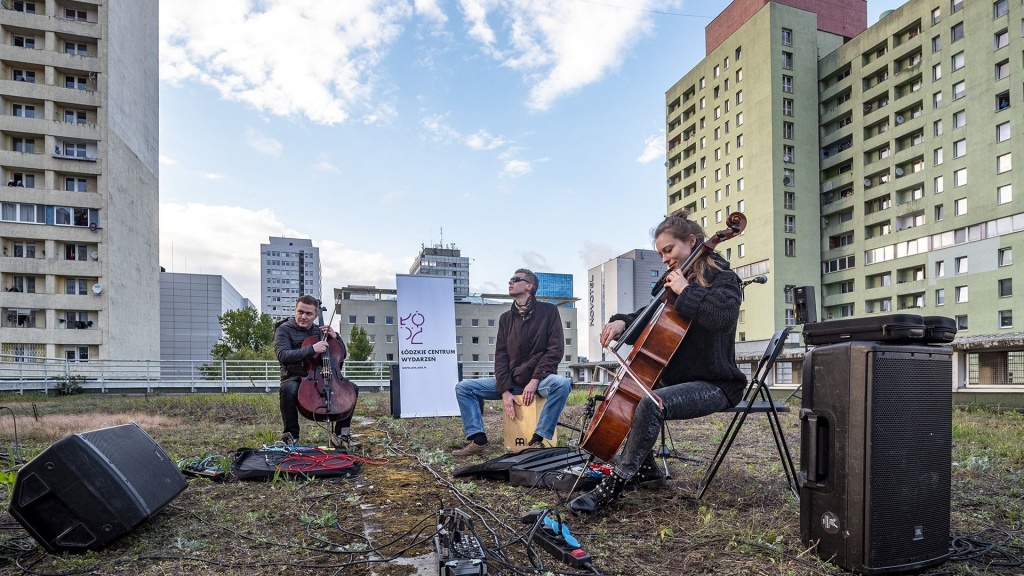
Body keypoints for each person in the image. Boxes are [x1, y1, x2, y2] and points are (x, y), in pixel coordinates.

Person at [570, 210, 747, 513]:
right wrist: (622, 322)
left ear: (691, 242)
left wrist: (686, 290)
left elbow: (723, 317)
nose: (664, 258)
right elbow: (649, 313)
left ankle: (617, 483)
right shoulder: (671, 284)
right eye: (660, 253)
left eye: (669, 249)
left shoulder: (723, 279)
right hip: (677, 380)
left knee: (651, 402)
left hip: (716, 383)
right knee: (633, 395)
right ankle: (646, 470)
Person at [452, 269, 572, 457]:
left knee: (562, 384)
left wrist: (534, 380)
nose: (510, 282)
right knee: (464, 387)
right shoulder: (506, 319)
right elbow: (501, 356)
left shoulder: (549, 312)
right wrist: (504, 390)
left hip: (540, 381)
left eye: (516, 279)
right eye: (510, 279)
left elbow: (555, 351)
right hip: (512, 381)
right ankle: (478, 439)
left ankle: (537, 439)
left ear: (529, 286)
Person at [274, 295, 359, 449]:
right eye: (300, 312)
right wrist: (312, 349)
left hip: (321, 375)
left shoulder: (320, 330)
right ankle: (291, 437)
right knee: (288, 389)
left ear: (316, 315)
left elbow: (341, 355)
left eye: (308, 314)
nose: (303, 317)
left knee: (352, 388)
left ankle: (341, 435)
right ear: (295, 310)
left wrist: (336, 337)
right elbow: (283, 356)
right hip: (294, 376)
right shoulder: (284, 330)